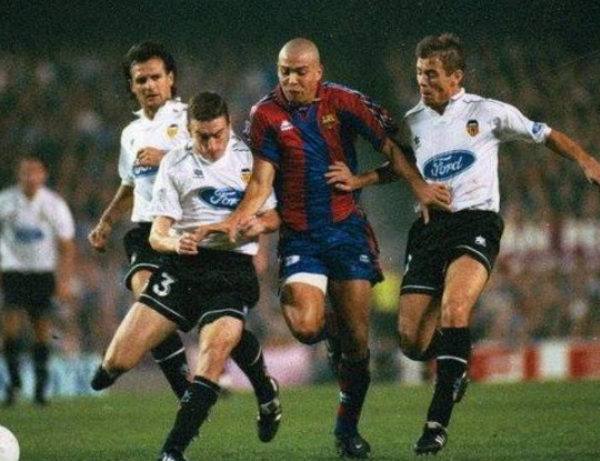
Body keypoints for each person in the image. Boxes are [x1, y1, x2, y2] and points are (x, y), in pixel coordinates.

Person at [327, 33, 600, 455]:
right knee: (412, 342)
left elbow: (545, 134)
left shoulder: (488, 112)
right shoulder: (414, 120)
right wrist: (360, 179)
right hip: (429, 229)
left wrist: (585, 159)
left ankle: (435, 425)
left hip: (476, 222)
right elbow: (401, 165)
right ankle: (458, 357)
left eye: (432, 74)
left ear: (456, 77)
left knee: (455, 310)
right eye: (420, 73)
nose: (424, 81)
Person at [196, 38, 451, 458]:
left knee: (358, 343)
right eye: (284, 71)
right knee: (306, 327)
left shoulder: (344, 102)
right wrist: (237, 218)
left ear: (318, 72)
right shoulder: (265, 114)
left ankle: (347, 431)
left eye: (300, 72)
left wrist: (409, 186)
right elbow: (260, 181)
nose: (292, 79)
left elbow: (393, 148)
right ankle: (330, 330)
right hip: (300, 235)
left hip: (347, 231)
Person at [97, 92, 282, 461]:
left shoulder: (250, 159)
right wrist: (174, 242)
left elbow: (274, 216)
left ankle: (173, 451)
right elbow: (157, 234)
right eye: (202, 137)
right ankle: (264, 385)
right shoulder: (175, 164)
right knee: (117, 362)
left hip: (231, 269)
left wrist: (257, 225)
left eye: (218, 135)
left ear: (229, 126)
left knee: (214, 351)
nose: (211, 145)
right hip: (184, 264)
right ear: (189, 131)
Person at [87, 41, 274, 405]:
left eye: (156, 77)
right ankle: (184, 389)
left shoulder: (194, 118)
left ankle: (257, 383)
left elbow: (236, 175)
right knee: (146, 293)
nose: (149, 85)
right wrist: (107, 221)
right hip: (149, 230)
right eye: (141, 80)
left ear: (171, 79)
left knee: (214, 320)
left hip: (191, 234)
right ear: (131, 85)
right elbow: (130, 183)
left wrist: (258, 243)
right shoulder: (131, 133)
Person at [0, 156, 75, 406]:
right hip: (12, 271)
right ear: (18, 176)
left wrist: (64, 281)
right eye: (25, 173)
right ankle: (13, 384)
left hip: (42, 273)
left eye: (34, 173)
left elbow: (66, 245)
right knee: (9, 327)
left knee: (41, 330)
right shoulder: (5, 202)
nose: (29, 178)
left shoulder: (54, 204)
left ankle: (40, 388)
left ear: (43, 176)